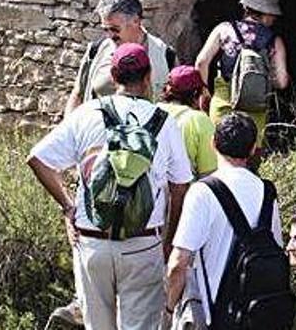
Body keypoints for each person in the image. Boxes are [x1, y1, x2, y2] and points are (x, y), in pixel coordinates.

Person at [28, 43, 193, 330]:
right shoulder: (164, 122)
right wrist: (168, 241)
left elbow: (37, 159)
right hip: (143, 243)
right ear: (148, 77)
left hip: (92, 242)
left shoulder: (86, 113)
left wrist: (69, 206)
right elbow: (180, 188)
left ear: (113, 77)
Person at [165, 112, 284, 327]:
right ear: (252, 149)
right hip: (260, 313)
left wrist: (168, 308)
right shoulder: (267, 192)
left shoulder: (202, 192)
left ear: (213, 144)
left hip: (216, 313)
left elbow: (178, 262)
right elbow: (276, 247)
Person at [195, 0, 290, 146]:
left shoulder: (224, 29)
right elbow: (282, 82)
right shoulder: (274, 41)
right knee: (250, 157)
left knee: (218, 152)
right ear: (267, 14)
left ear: (246, 7)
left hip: (224, 102)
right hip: (256, 107)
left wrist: (204, 93)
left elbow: (201, 62)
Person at [65, 0, 175, 117]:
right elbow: (78, 94)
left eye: (115, 29)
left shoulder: (165, 56)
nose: (110, 35)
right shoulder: (97, 50)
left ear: (136, 21)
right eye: (105, 29)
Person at [159, 65, 218, 178]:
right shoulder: (198, 120)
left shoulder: (153, 111)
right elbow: (209, 173)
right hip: (186, 192)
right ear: (196, 94)